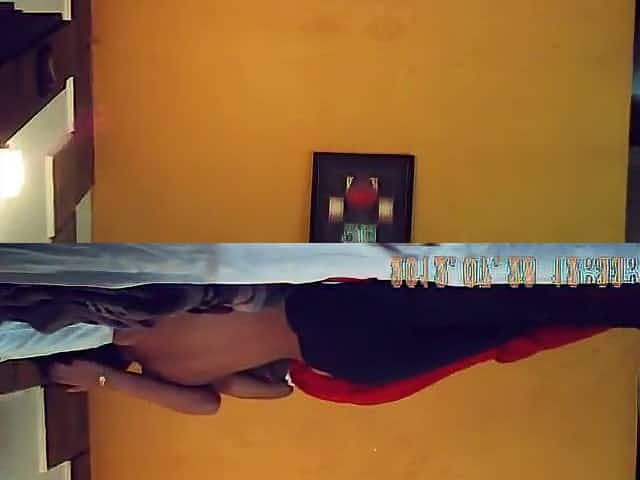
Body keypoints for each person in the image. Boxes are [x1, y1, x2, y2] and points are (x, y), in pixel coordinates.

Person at [42, 280, 640, 415]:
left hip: (342, 349)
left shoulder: (150, 340)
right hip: (330, 326)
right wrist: (108, 379)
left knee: (503, 324)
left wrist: (108, 380)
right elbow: (244, 395)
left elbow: (260, 393)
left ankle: (621, 301)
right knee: (501, 315)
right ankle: (619, 297)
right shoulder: (150, 331)